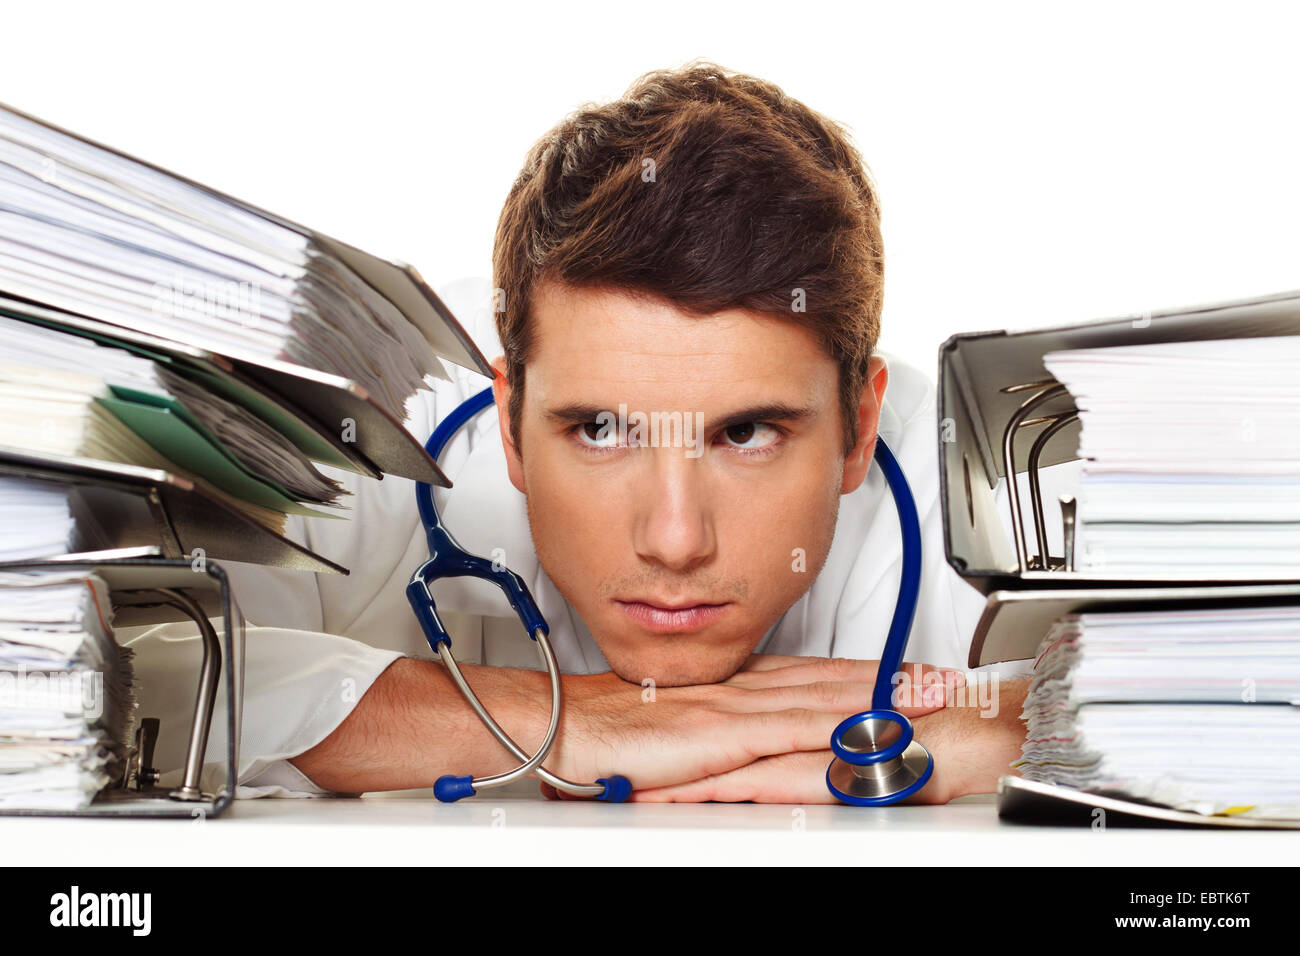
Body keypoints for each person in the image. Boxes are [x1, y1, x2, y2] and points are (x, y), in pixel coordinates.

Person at [129, 61, 1062, 804]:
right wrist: (558, 720)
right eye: (602, 430)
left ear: (860, 427)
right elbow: (117, 666)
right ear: (509, 417)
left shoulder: (983, 486)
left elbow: (1196, 694)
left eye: (746, 434)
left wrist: (1023, 721)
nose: (674, 540)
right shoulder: (367, 426)